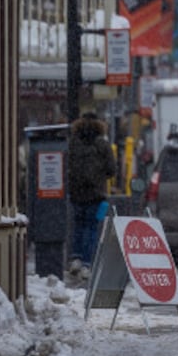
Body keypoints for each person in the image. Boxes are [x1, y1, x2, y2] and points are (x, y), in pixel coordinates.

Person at [66, 110, 117, 276]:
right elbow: (112, 169)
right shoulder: (102, 143)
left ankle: (76, 258)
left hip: (76, 193)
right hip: (96, 194)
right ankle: (87, 264)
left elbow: (67, 164)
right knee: (91, 228)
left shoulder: (73, 142)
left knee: (78, 226)